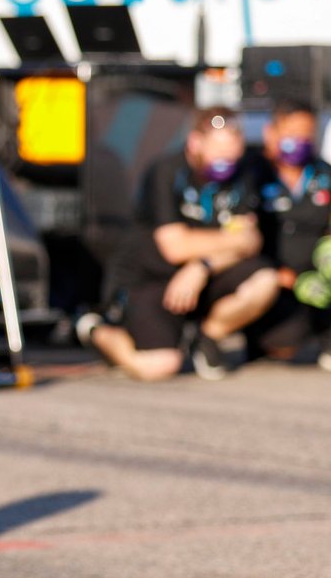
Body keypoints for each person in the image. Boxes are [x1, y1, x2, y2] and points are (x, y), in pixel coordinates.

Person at [79, 109, 278, 381]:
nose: (226, 164)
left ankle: (207, 337)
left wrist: (203, 264)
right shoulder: (166, 172)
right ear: (195, 143)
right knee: (159, 366)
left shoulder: (242, 175)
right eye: (219, 156)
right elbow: (175, 247)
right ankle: (95, 330)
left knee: (265, 279)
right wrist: (228, 242)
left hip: (201, 277)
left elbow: (250, 241)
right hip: (151, 279)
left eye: (232, 156)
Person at [244, 98, 331, 366]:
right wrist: (281, 275)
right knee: (283, 344)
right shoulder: (251, 174)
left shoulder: (323, 174)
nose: (300, 141)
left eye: (306, 135)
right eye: (293, 134)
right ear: (272, 133)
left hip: (316, 278)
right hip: (272, 278)